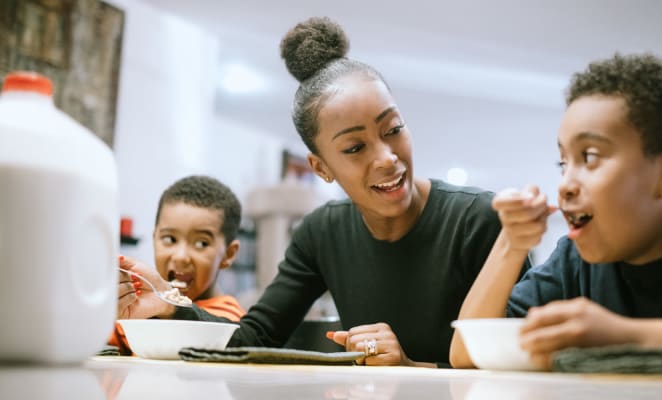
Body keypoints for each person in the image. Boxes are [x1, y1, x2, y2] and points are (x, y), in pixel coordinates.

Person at [117, 17, 513, 367]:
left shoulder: (477, 220)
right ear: (321, 167)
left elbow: (517, 361)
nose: (387, 158)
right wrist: (171, 306)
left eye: (393, 129)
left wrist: (411, 366)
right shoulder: (322, 233)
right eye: (355, 148)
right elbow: (254, 338)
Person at [450, 53, 662, 377]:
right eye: (563, 163)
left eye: (588, 157)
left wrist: (627, 337)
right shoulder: (573, 263)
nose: (565, 185)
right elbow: (466, 353)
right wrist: (511, 244)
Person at [113, 175, 246, 354]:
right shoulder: (134, 305)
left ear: (228, 255)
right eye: (169, 239)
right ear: (154, 240)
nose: (181, 257)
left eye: (201, 243)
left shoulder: (229, 321)